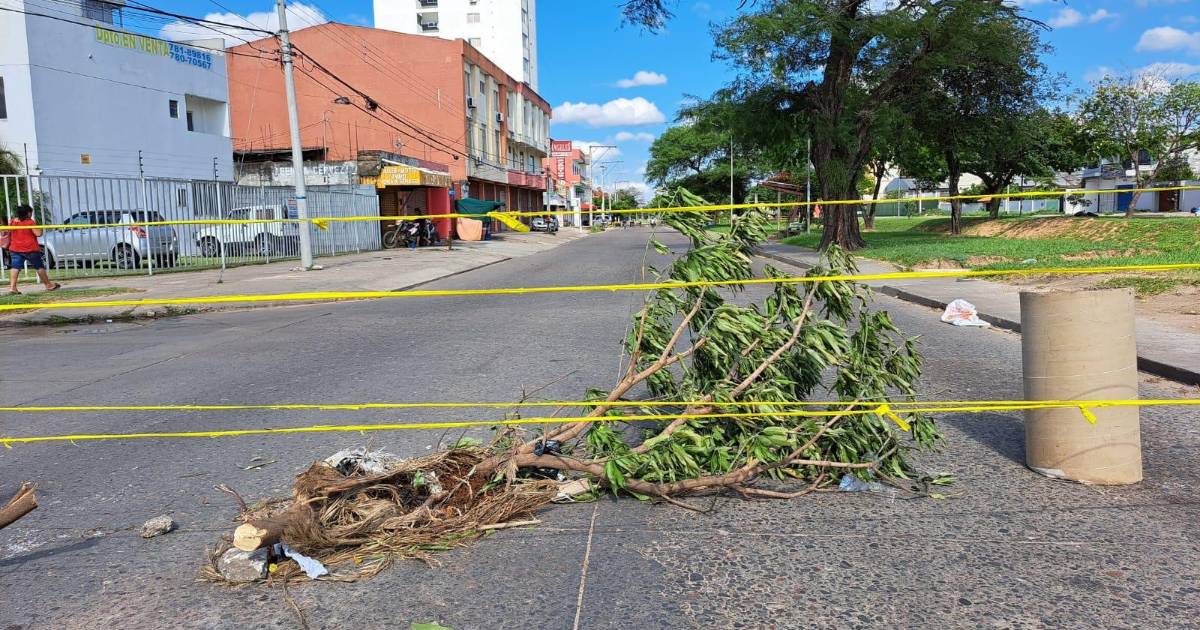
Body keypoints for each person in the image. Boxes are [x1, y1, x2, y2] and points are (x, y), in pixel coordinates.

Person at [7, 205, 60, 295]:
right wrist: (40, 228)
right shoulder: (30, 222)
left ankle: (12, 287)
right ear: (28, 213)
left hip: (15, 248)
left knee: (15, 267)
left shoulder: (13, 221)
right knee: (39, 266)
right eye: (31, 212)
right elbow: (38, 234)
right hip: (30, 249)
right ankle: (48, 285)